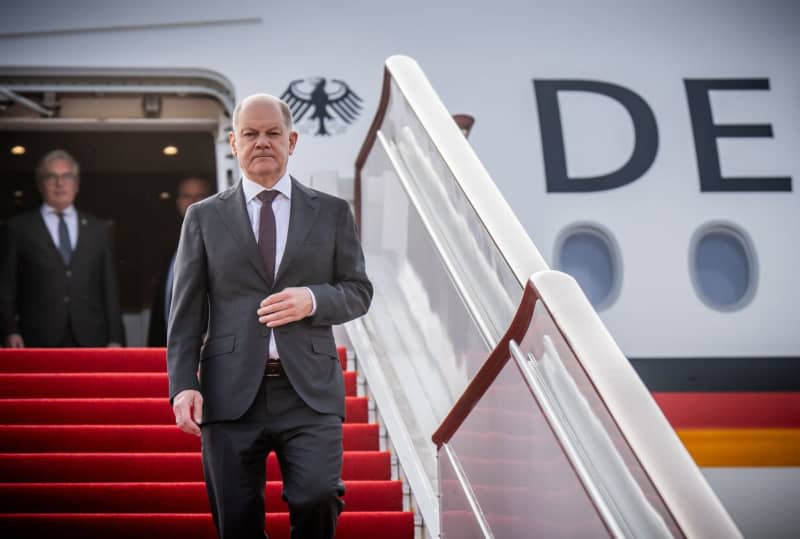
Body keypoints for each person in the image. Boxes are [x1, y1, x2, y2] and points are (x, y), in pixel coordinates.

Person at [167, 94, 372, 539]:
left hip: (309, 392)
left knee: (318, 496)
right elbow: (185, 311)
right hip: (229, 393)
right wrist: (184, 383)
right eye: (251, 134)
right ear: (233, 142)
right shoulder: (203, 218)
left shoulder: (333, 213)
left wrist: (313, 300)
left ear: (292, 140)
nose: (263, 142)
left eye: (273, 133)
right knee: (237, 520)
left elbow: (358, 291)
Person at [0, 149, 124, 348]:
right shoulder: (18, 228)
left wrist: (115, 338)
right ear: (40, 184)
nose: (60, 183)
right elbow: (6, 285)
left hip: (92, 338)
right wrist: (9, 330)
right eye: (52, 177)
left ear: (77, 184)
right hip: (36, 338)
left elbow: (109, 287)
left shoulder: (98, 229)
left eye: (67, 176)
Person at [147, 175, 212, 346]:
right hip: (169, 346)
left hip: (207, 348)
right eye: (186, 196)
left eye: (200, 196)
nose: (193, 201)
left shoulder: (221, 239)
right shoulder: (168, 243)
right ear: (178, 202)